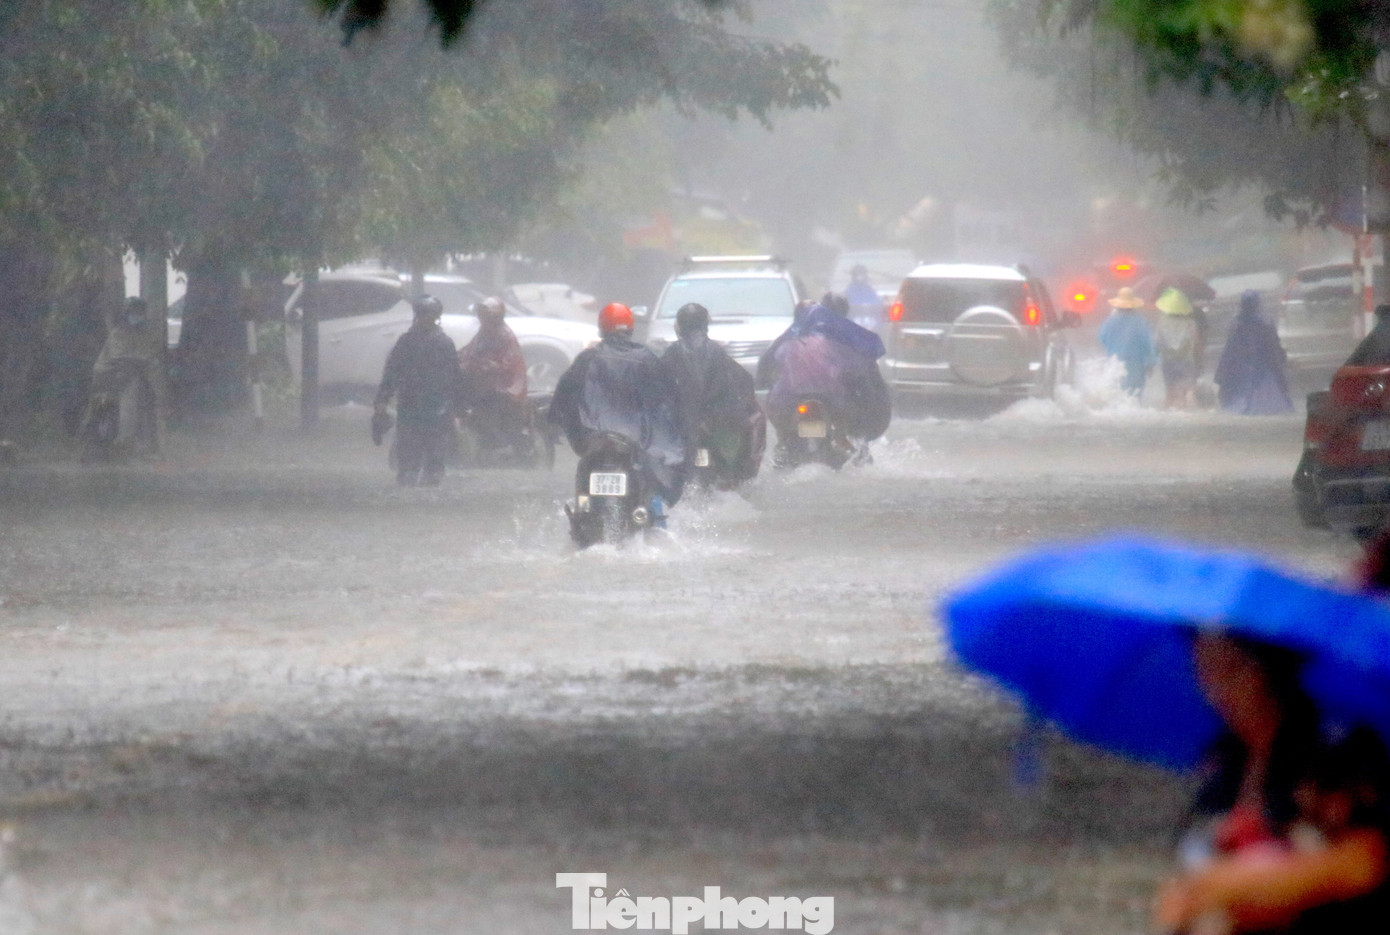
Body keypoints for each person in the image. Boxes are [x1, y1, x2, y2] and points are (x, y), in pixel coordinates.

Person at [1155, 633, 1390, 935]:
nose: (1217, 689)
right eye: (1205, 669)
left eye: (1232, 669)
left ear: (1270, 666)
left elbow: (1365, 862)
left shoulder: (1334, 749)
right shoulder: (1223, 762)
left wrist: (1250, 881)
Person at [547, 302, 687, 508]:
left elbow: (564, 395)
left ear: (602, 328)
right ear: (630, 329)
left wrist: (553, 420)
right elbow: (667, 400)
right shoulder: (646, 359)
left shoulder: (588, 358)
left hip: (595, 440)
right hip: (636, 441)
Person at [761, 295, 891, 458]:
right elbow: (859, 373)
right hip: (830, 399)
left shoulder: (787, 341)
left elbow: (768, 366)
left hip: (790, 399)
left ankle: (785, 444)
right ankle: (842, 440)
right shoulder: (845, 342)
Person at [659, 302, 764, 489]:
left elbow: (657, 390)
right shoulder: (717, 353)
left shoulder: (671, 354)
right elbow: (743, 384)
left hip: (686, 429)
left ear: (679, 327)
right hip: (714, 427)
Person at [374, 294, 462, 487]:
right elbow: (391, 373)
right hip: (410, 402)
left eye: (430, 315)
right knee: (408, 446)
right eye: (423, 315)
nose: (426, 319)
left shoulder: (444, 344)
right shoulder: (406, 342)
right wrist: (382, 400)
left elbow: (454, 378)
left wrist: (457, 406)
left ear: (436, 317)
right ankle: (408, 474)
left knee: (434, 448)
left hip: (436, 405)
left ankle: (430, 475)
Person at [82, 296, 162, 457]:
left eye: (140, 312)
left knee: (146, 393)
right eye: (134, 312)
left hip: (131, 375)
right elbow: (122, 359)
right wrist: (140, 362)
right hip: (108, 375)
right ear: (127, 314)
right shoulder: (118, 333)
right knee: (130, 391)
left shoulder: (145, 334)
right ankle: (125, 439)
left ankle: (144, 440)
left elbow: (150, 356)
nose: (137, 316)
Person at [457, 296, 531, 460]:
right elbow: (469, 350)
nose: (483, 319)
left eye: (487, 316)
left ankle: (495, 442)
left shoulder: (505, 335)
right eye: (482, 315)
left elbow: (508, 363)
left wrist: (483, 365)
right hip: (485, 380)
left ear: (497, 317)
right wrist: (454, 357)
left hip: (505, 384)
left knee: (487, 403)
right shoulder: (484, 332)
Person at [1215, 291, 1293, 415]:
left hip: (1242, 374)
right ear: (1258, 305)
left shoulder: (1236, 324)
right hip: (1263, 375)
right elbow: (1273, 349)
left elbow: (1229, 352)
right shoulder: (1265, 323)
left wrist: (1221, 375)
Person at [1098, 286, 1158, 397]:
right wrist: (1150, 363)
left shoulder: (1111, 320)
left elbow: (1102, 338)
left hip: (1115, 362)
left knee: (1117, 393)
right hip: (1135, 364)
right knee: (1134, 394)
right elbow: (1147, 344)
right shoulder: (1139, 321)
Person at [1155, 287, 1201, 409]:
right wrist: (1198, 358)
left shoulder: (1162, 322)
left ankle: (1167, 409)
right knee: (1184, 391)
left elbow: (1158, 342)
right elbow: (1196, 342)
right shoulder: (1190, 323)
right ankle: (1183, 408)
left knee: (1169, 390)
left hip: (1168, 361)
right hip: (1186, 361)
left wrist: (1154, 358)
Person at [844, 264, 885, 333]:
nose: (860, 277)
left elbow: (876, 303)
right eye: (857, 274)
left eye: (861, 274)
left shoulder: (869, 289)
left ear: (865, 276)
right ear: (853, 276)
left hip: (871, 324)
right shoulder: (849, 291)